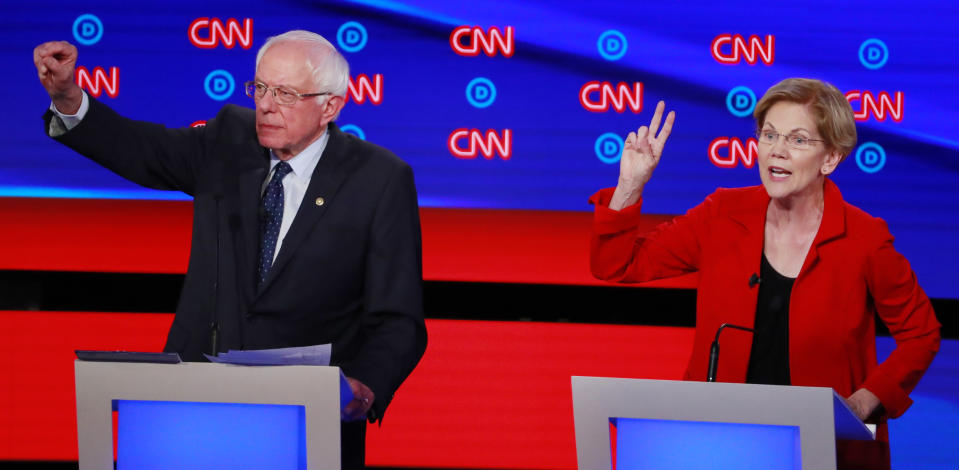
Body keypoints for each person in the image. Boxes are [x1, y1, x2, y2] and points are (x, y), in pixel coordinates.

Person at [34, 30, 427, 468]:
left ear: (330, 106)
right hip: (194, 409)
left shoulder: (379, 179)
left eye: (286, 93)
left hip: (305, 424)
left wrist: (364, 387)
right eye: (260, 87)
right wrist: (70, 100)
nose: (265, 104)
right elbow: (142, 150)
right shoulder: (229, 140)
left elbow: (398, 320)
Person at [590, 79, 940, 452]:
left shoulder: (864, 238)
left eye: (798, 139)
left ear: (831, 158)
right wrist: (630, 185)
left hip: (824, 448)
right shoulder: (723, 214)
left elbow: (922, 333)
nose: (778, 151)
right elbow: (618, 265)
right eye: (769, 135)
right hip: (720, 444)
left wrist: (866, 400)